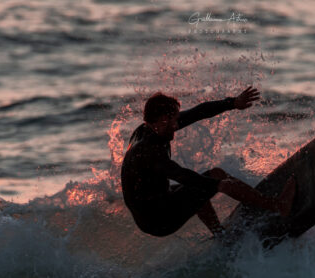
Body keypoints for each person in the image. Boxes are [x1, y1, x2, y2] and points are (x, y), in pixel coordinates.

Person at [121, 86, 296, 237]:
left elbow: (198, 112)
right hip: (159, 219)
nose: (176, 126)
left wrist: (233, 103)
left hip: (152, 207)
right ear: (162, 120)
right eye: (173, 122)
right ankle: (278, 206)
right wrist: (217, 185)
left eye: (176, 120)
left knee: (198, 188)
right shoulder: (148, 151)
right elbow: (180, 174)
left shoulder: (151, 128)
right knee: (216, 177)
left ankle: (220, 234)